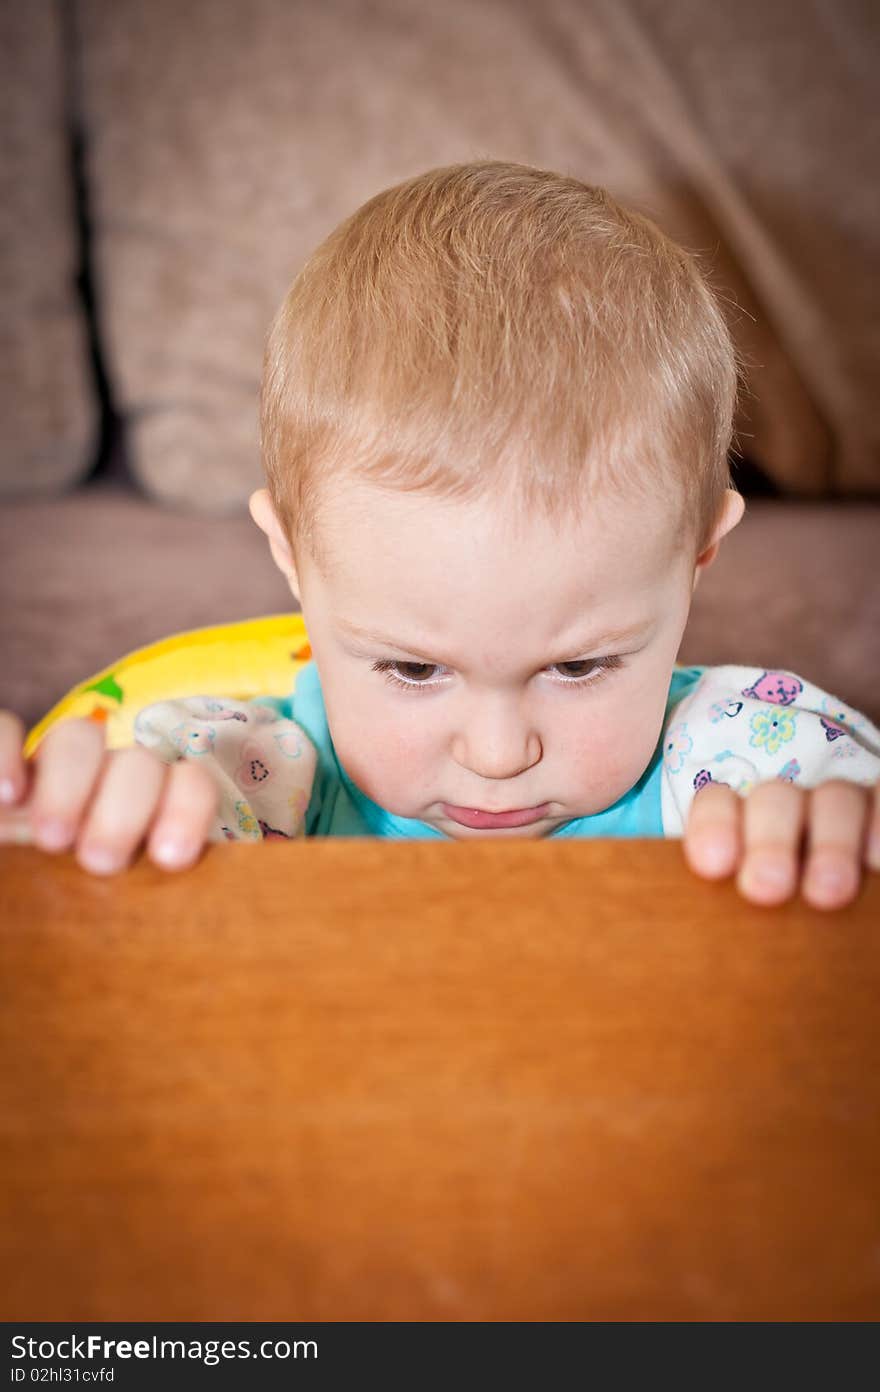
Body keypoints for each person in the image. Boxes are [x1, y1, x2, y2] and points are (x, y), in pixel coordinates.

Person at [1, 161, 878, 909]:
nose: (498, 757)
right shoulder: (235, 774)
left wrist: (830, 845)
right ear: (290, 556)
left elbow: (835, 813)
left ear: (698, 557)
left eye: (577, 666)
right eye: (414, 668)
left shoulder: (752, 755)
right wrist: (106, 837)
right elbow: (152, 833)